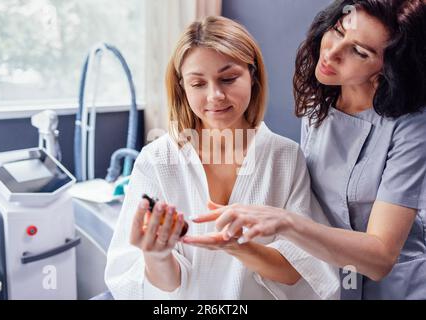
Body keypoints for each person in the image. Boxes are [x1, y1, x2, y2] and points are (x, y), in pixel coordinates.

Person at [193, 0, 426, 300]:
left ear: (388, 68)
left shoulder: (411, 127)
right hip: (333, 280)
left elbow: (381, 257)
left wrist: (286, 222)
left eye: (359, 51)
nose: (331, 52)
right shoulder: (320, 104)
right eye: (338, 31)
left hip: (395, 288)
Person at [104, 16, 339, 300]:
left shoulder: (284, 157)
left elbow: (299, 270)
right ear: (182, 87)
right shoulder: (157, 160)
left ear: (252, 74)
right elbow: (154, 285)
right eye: (198, 83)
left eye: (228, 78)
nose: (215, 95)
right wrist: (157, 255)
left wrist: (235, 246)